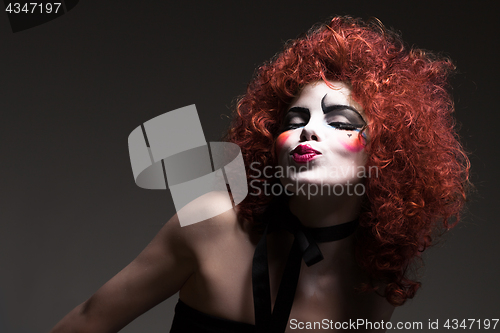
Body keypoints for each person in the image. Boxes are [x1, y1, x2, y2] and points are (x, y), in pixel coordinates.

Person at [49, 16, 470, 333]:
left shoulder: (373, 287)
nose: (308, 129)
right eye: (294, 119)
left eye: (341, 122)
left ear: (390, 156)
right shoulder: (211, 222)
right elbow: (88, 320)